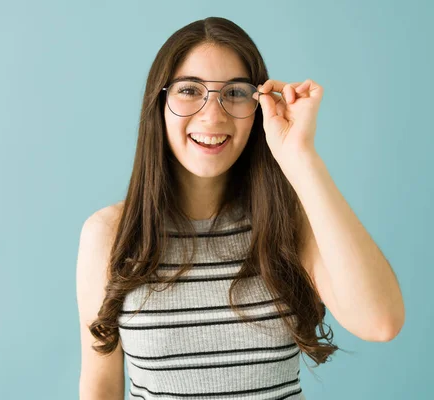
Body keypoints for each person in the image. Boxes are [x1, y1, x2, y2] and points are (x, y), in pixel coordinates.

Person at [76, 16, 404, 400]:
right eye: (189, 90)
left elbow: (381, 322)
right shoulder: (110, 234)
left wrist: (301, 157)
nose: (212, 115)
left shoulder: (289, 225)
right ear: (159, 103)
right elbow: (100, 384)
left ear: (259, 108)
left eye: (234, 93)